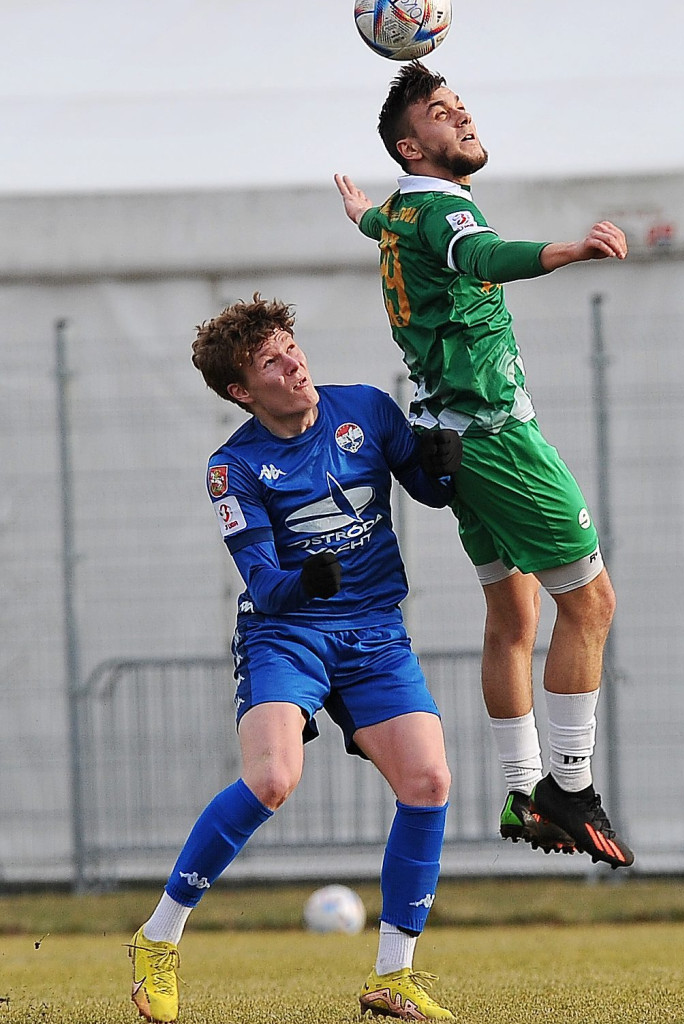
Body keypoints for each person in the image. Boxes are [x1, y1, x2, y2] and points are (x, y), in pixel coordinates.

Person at [128, 293, 464, 1022]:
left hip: (375, 630)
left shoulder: (367, 410)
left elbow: (433, 494)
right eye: (272, 361)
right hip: (288, 635)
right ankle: (159, 938)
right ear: (240, 392)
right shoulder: (233, 468)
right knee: (274, 778)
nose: (295, 362)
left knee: (429, 779)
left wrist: (445, 464)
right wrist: (304, 579)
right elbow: (263, 585)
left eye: (292, 346)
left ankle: (394, 975)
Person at [334, 61, 633, 870]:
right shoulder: (444, 210)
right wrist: (570, 249)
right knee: (593, 603)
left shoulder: (400, 211)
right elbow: (484, 256)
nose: (460, 116)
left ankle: (521, 789)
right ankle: (569, 790)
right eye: (441, 111)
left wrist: (366, 212)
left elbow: (387, 228)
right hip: (496, 438)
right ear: (411, 144)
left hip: (448, 440)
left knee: (513, 622)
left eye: (460, 104)